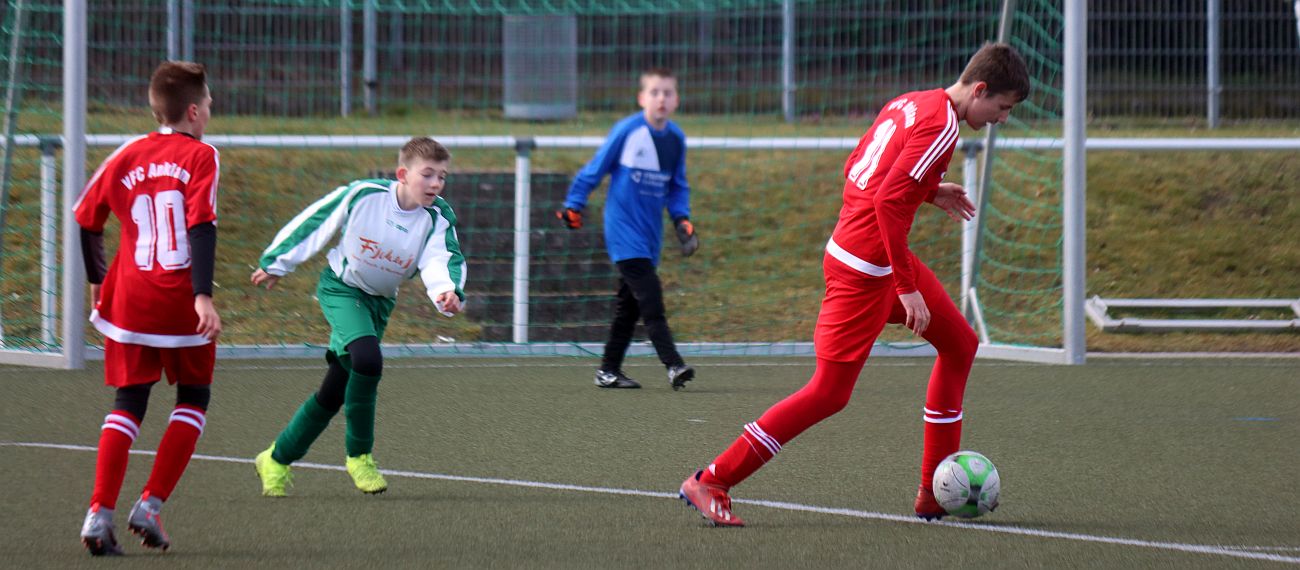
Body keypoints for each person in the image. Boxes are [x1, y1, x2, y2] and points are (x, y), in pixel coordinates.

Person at [678, 43, 1031, 527]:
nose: (1002, 118)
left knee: (960, 345)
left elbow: (859, 169)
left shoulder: (911, 102)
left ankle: (933, 492)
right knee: (828, 393)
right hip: (864, 271)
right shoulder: (943, 125)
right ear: (981, 89)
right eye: (1003, 107)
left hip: (882, 259)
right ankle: (713, 478)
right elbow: (886, 202)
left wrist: (928, 190)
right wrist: (906, 286)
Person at [250, 136, 466, 498]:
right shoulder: (364, 195)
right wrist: (278, 262)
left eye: (442, 177)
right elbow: (317, 222)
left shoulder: (437, 217)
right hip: (342, 289)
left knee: (334, 390)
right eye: (427, 175)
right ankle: (359, 456)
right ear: (402, 173)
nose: (435, 184)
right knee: (368, 361)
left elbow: (442, 258)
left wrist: (447, 292)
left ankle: (276, 457)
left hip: (379, 304)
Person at [74, 61, 222, 555]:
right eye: (210, 105)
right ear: (195, 111)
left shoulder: (127, 153)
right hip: (180, 302)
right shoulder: (203, 156)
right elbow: (202, 225)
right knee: (194, 398)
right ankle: (151, 504)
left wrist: (99, 283)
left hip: (130, 302)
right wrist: (203, 294)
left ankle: (98, 514)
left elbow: (86, 219)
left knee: (128, 404)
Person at [556, 67, 700, 391]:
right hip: (623, 233)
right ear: (641, 98)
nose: (661, 98)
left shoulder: (675, 139)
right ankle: (673, 365)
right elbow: (595, 169)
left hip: (651, 237)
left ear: (676, 100)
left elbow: (678, 186)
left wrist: (682, 220)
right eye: (654, 92)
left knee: (628, 307)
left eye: (667, 93)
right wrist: (574, 204)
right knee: (651, 299)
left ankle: (608, 370)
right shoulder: (628, 130)